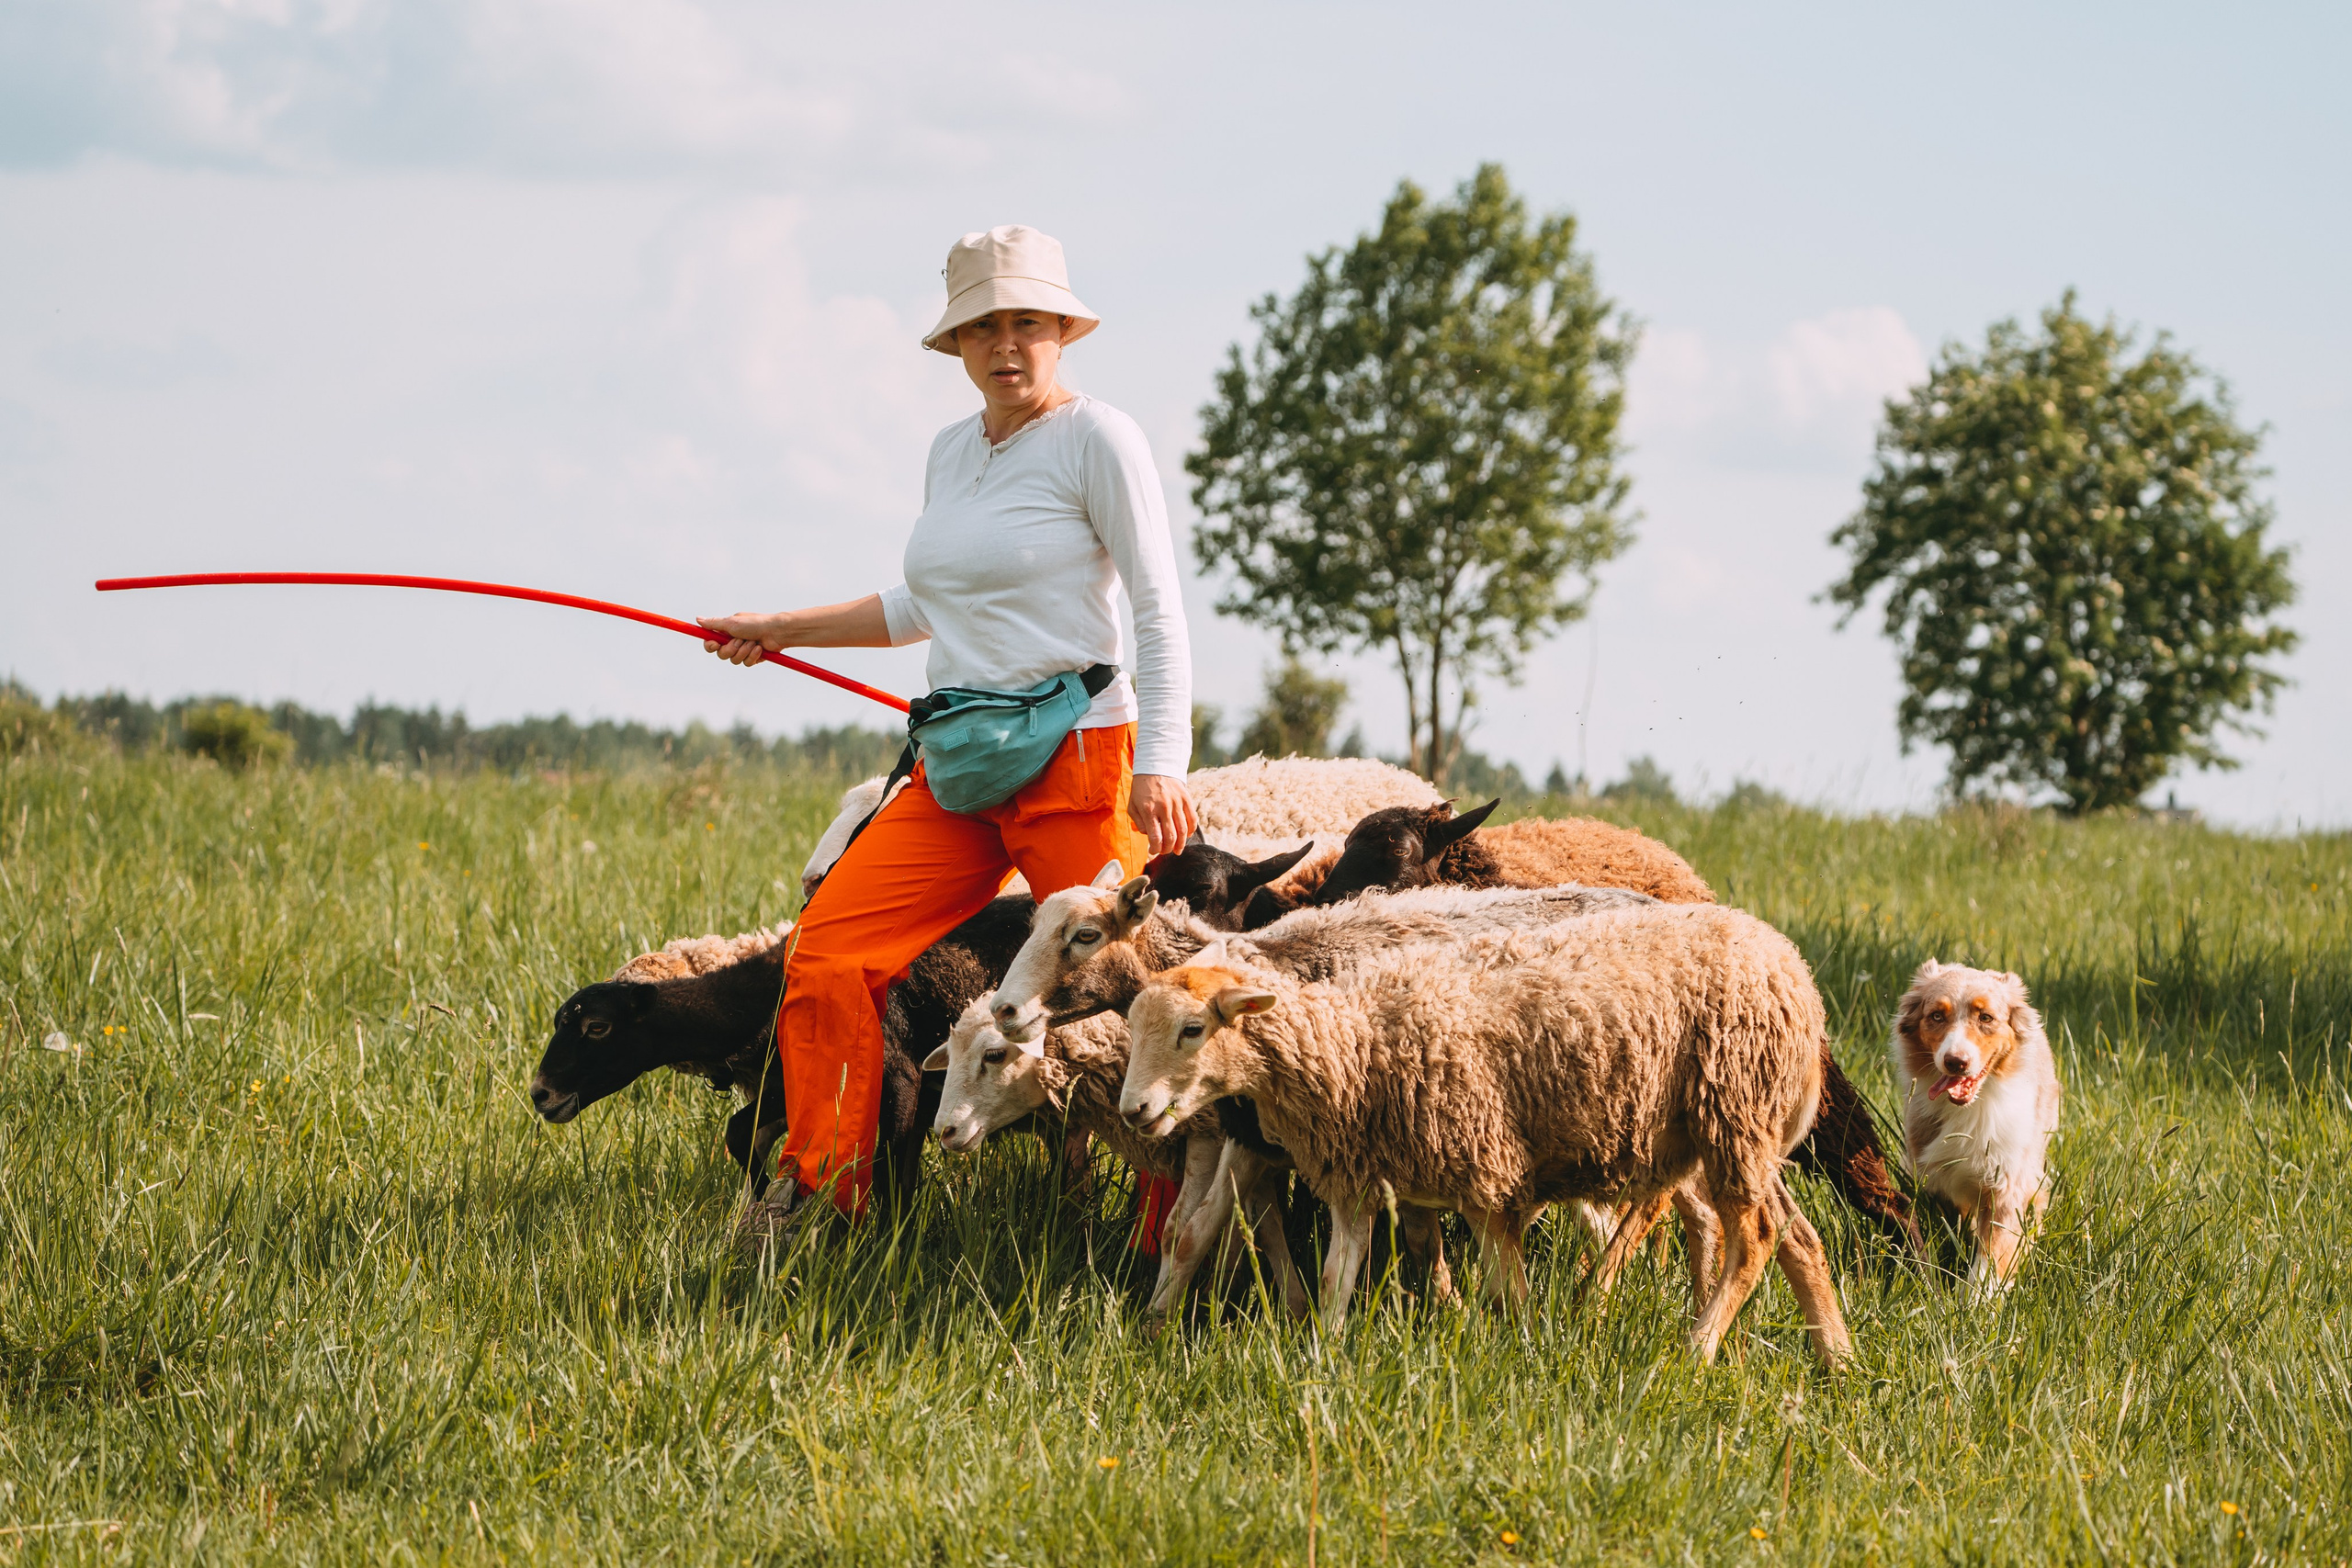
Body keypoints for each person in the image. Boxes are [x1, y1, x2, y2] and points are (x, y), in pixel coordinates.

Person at [699, 225, 1194, 1242]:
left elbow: (1157, 604)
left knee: (1125, 997)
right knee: (826, 954)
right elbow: (925, 608)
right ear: (956, 345)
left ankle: (1176, 1230)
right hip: (960, 766)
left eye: (1025, 323)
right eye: (982, 328)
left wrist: (1162, 763)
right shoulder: (949, 453)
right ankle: (824, 1193)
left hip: (1079, 757)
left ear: (1060, 330)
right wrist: (778, 628)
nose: (1005, 345)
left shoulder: (1100, 437)